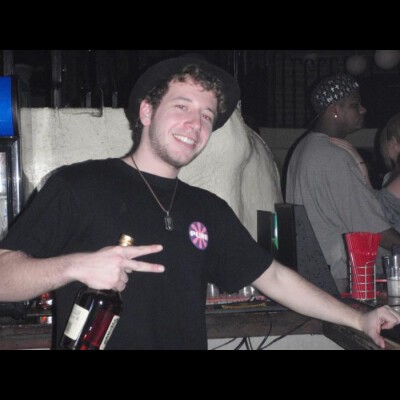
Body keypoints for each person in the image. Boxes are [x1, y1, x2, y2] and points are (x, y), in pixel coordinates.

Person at [0, 58, 399, 350]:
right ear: (146, 111)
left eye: (207, 116)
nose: (196, 124)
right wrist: (75, 266)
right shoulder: (79, 184)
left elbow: (274, 278)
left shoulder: (207, 209)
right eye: (182, 106)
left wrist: (359, 317)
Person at [286, 73, 400, 294]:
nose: (363, 110)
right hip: (339, 277)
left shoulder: (304, 148)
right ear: (335, 110)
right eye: (355, 105)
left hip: (316, 270)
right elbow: (372, 226)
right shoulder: (333, 156)